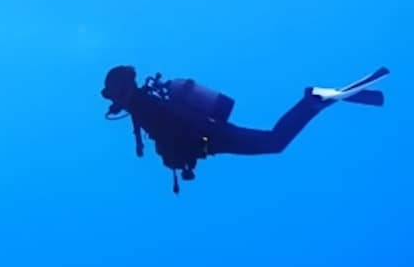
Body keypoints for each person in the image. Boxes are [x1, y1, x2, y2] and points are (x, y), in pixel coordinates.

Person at [100, 65, 390, 193]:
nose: (113, 102)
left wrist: (172, 159)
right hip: (210, 136)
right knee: (274, 141)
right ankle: (315, 101)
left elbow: (170, 137)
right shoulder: (144, 103)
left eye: (112, 94)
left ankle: (312, 100)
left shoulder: (143, 107)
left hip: (211, 137)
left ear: (121, 90)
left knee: (275, 142)